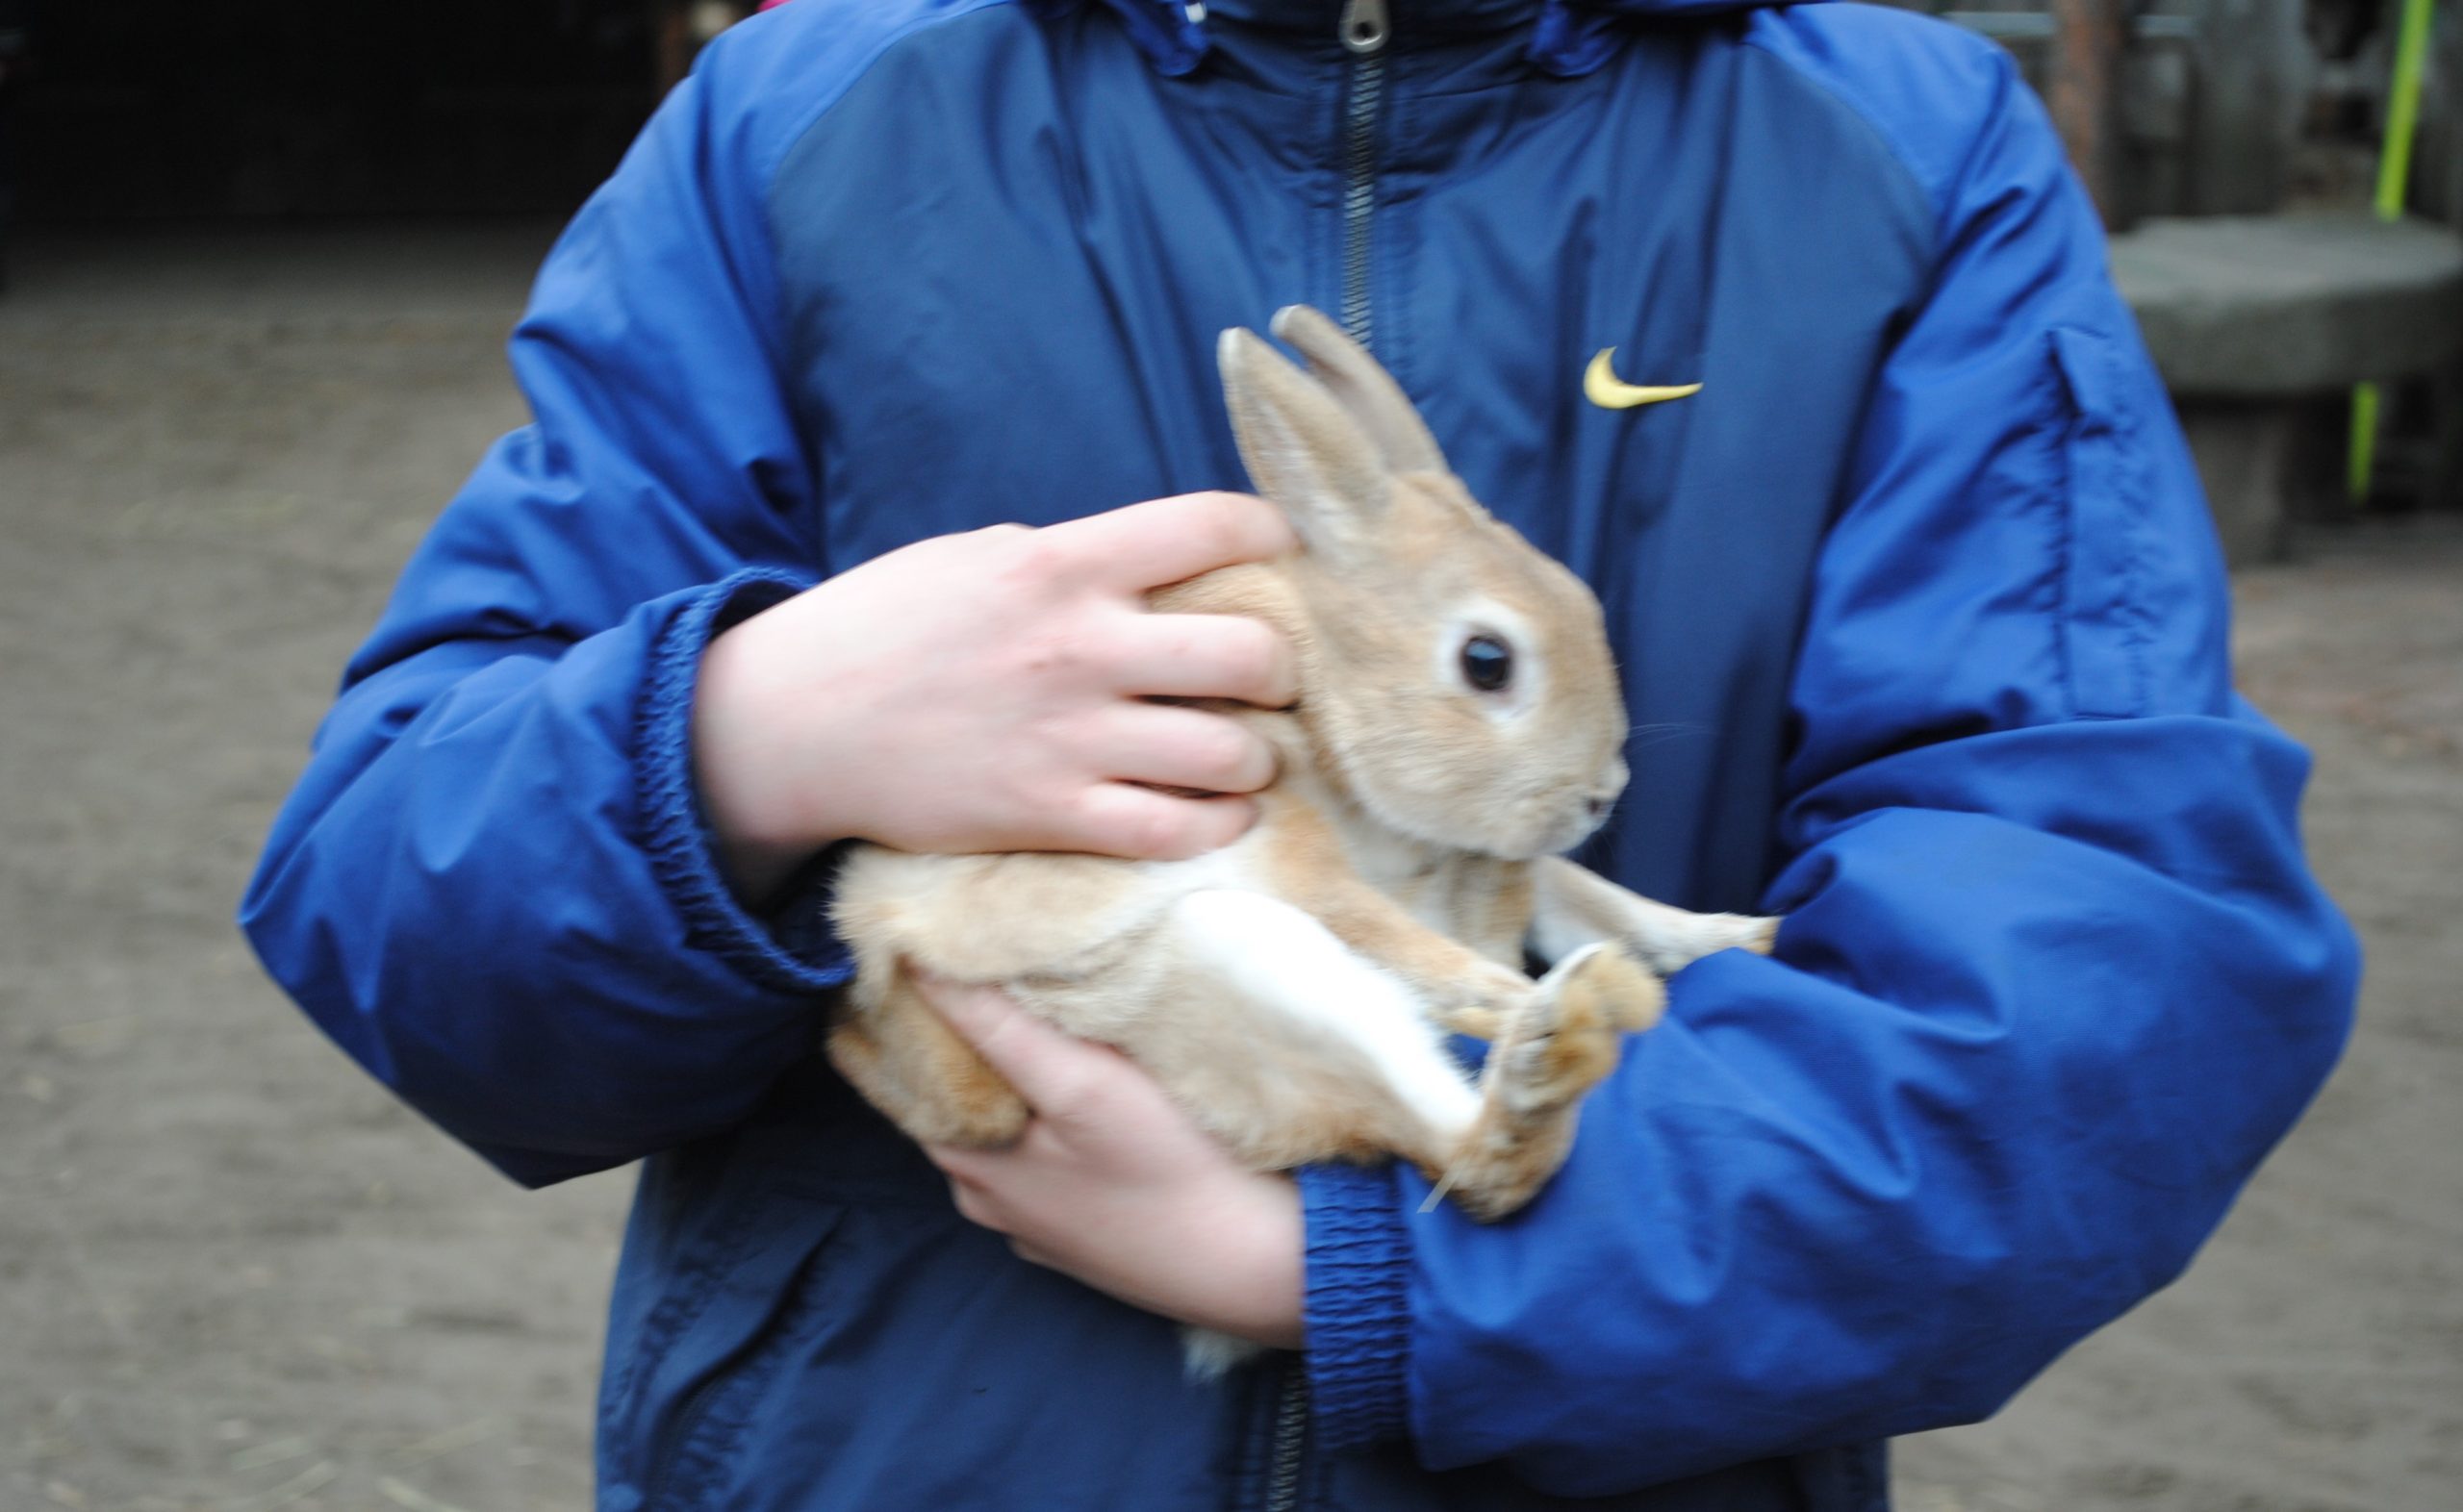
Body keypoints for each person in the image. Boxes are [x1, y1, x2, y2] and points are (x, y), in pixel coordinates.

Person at [239, 0, 2360, 1507]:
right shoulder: (811, 118)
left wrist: (1390, 1270)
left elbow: (2103, 981)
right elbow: (385, 893)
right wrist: (747, 734)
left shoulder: (1892, 150)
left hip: (1602, 1438)